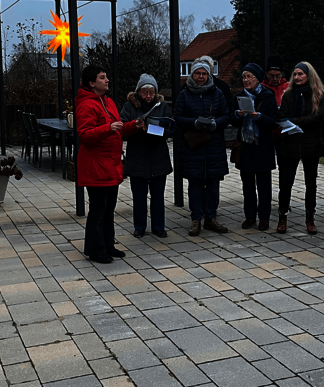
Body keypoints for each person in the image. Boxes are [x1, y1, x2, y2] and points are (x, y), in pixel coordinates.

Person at [75, 65, 139, 263]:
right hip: (96, 166)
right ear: (91, 83)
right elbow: (85, 135)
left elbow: (117, 129)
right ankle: (95, 250)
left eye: (106, 77)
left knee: (108, 209)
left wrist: (133, 126)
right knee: (98, 210)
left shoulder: (108, 101)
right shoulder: (86, 105)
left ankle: (108, 245)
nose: (107, 80)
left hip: (110, 164)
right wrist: (107, 128)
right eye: (102, 77)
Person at [173, 57, 231, 237]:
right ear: (192, 75)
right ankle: (196, 219)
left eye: (204, 73)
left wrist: (216, 124)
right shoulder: (184, 94)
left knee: (213, 184)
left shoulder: (217, 93)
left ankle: (211, 217)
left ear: (209, 75)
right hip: (193, 147)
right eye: (197, 73)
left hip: (213, 146)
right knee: (195, 185)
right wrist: (194, 123)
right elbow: (178, 117)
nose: (201, 76)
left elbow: (226, 115)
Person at [120, 74, 174, 239]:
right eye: (145, 92)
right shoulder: (129, 107)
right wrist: (135, 126)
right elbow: (122, 129)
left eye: (151, 92)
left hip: (158, 157)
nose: (148, 96)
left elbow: (170, 130)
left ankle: (159, 227)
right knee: (139, 196)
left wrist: (148, 128)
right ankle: (139, 227)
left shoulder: (162, 107)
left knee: (158, 196)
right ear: (138, 92)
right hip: (137, 157)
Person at [277, 61, 324, 235]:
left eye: (301, 74)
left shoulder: (319, 95)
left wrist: (295, 121)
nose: (297, 77)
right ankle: (282, 216)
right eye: (295, 74)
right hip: (290, 144)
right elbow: (282, 117)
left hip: (311, 144)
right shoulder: (288, 95)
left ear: (309, 75)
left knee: (311, 183)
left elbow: (317, 117)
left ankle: (310, 217)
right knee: (286, 183)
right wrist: (291, 122)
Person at [231, 63, 278, 231]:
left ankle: (264, 217)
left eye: (249, 77)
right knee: (247, 185)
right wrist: (238, 115)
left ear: (257, 79)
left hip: (262, 146)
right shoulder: (238, 96)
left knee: (264, 185)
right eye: (244, 77)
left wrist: (259, 117)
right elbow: (232, 120)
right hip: (245, 146)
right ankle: (250, 216)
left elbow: (274, 122)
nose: (246, 80)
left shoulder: (268, 96)